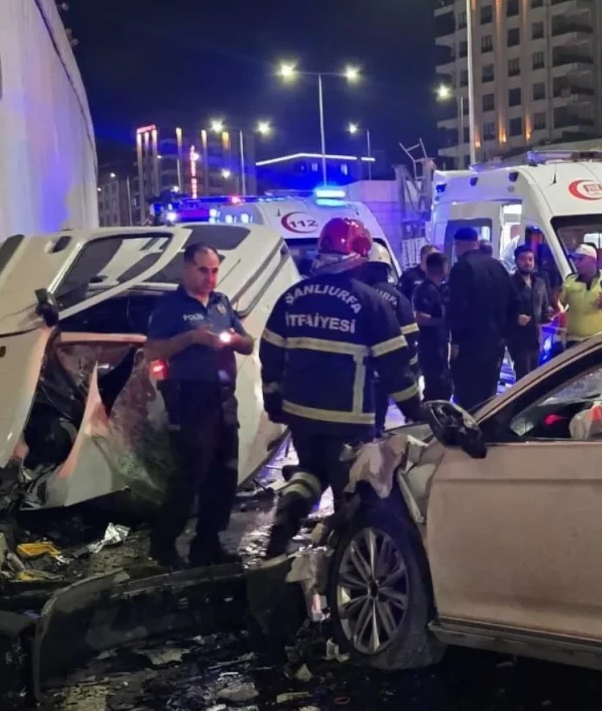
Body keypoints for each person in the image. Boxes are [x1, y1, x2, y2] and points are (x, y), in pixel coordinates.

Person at [260, 218, 424, 558]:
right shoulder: (369, 302)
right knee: (352, 490)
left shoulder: (292, 297)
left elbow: (270, 352)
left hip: (301, 414)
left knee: (309, 473)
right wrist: (416, 413)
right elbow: (395, 367)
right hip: (349, 419)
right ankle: (345, 559)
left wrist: (274, 400)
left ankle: (280, 534)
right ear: (360, 256)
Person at [143, 244, 255, 569]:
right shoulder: (170, 307)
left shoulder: (222, 304)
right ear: (186, 269)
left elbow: (249, 344)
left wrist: (233, 340)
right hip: (189, 399)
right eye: (203, 270)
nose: (210, 278)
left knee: (224, 475)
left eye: (215, 270)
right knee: (189, 477)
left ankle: (207, 544)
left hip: (223, 400)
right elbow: (152, 350)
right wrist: (191, 338)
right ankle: (162, 545)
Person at [446, 227, 519, 411]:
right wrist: (505, 334)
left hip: (470, 345)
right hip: (495, 344)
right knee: (489, 393)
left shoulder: (462, 268)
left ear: (459, 245)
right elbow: (515, 301)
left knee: (467, 395)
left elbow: (457, 307)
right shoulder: (497, 266)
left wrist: (455, 341)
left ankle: (468, 431)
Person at [358, 241, 421, 437]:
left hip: (357, 374)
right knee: (377, 418)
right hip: (385, 372)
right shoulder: (398, 298)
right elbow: (410, 338)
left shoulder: (355, 294)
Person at [558, 244, 602, 350]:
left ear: (592, 260)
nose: (576, 263)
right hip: (575, 341)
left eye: (580, 259)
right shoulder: (570, 281)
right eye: (574, 260)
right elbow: (559, 304)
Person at [506, 245, 553, 379]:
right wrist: (516, 318)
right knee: (523, 376)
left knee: (536, 375)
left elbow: (544, 308)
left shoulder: (539, 283)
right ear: (516, 261)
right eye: (523, 259)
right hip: (518, 339)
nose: (528, 263)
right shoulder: (510, 283)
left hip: (536, 338)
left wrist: (548, 315)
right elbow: (501, 309)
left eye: (530, 259)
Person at [412, 251, 453, 401]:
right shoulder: (426, 290)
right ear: (443, 268)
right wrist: (446, 321)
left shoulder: (436, 289)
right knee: (438, 385)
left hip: (438, 344)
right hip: (430, 345)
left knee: (442, 384)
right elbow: (422, 318)